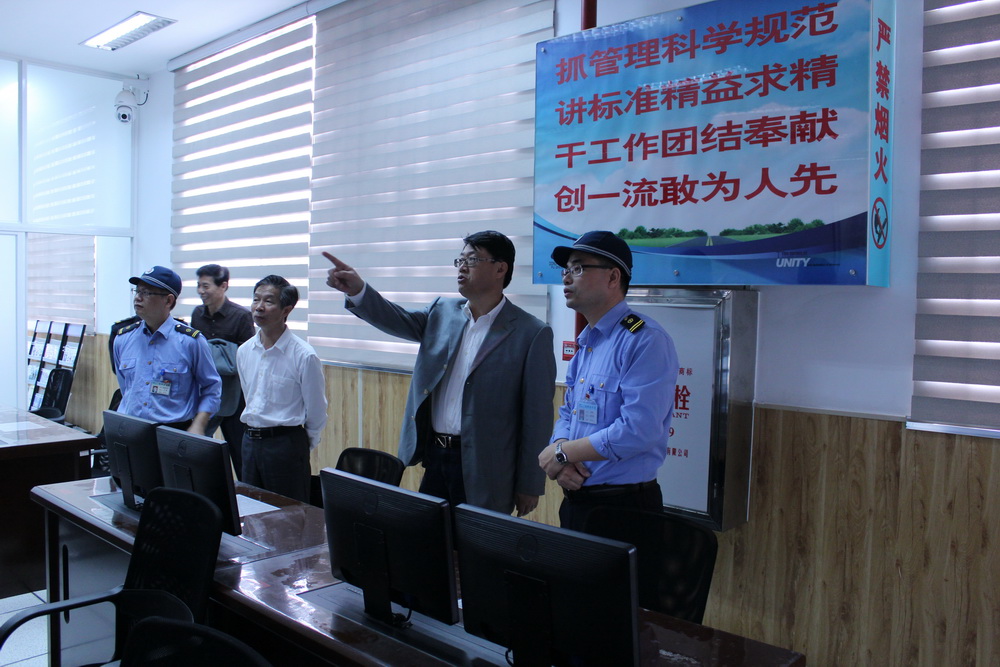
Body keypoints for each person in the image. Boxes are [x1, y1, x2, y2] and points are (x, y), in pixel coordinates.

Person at [324, 230, 556, 516]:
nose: (462, 266)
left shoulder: (530, 332)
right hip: (435, 456)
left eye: (472, 259)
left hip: (488, 469)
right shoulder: (442, 311)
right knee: (429, 536)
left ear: (500, 269)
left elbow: (537, 417)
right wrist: (358, 290)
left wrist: (530, 483)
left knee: (476, 541)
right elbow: (396, 319)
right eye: (460, 259)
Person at [538, 231, 679, 532]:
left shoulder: (644, 340)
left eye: (578, 268)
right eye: (565, 270)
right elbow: (569, 413)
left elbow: (638, 430)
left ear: (613, 277)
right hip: (577, 500)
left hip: (624, 508)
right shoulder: (588, 342)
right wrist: (561, 452)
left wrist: (563, 453)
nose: (566, 278)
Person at [237, 275, 328, 502]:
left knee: (289, 514)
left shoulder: (304, 355)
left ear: (286, 310)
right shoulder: (244, 351)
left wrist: (299, 446)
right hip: (249, 442)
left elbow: (316, 410)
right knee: (250, 511)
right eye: (256, 299)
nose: (259, 307)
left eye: (268, 301)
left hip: (285, 445)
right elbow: (249, 396)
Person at [113, 266, 222, 435]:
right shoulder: (122, 339)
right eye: (137, 291)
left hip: (174, 431)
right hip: (131, 429)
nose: (138, 297)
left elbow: (211, 388)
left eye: (146, 293)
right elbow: (126, 387)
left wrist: (199, 424)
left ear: (168, 301)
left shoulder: (191, 342)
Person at [191, 264, 255, 479]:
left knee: (240, 454)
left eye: (205, 286)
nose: (201, 291)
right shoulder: (197, 314)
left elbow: (247, 359)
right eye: (199, 286)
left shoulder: (241, 316)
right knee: (198, 448)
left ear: (223, 286)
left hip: (235, 397)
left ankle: (246, 495)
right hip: (205, 393)